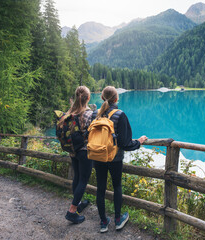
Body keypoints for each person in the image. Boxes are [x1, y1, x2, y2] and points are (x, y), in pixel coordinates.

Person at [92, 86, 148, 233]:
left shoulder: (95, 114)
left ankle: (103, 222)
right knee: (117, 186)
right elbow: (125, 143)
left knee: (100, 188)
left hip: (97, 157)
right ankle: (118, 220)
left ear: (102, 98)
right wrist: (139, 142)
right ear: (116, 99)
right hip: (115, 158)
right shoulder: (120, 115)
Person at [62, 86, 93, 224]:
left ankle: (78, 202)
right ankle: (72, 211)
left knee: (77, 177)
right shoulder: (88, 113)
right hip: (84, 150)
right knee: (83, 180)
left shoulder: (70, 112)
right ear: (88, 98)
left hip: (72, 150)